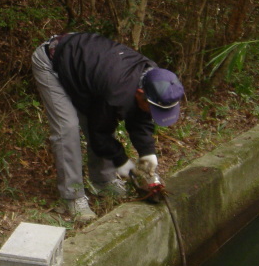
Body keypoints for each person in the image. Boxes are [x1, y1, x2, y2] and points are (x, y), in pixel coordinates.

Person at [31, 32, 184, 222]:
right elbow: (99, 132)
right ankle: (72, 197)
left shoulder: (152, 76)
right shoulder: (117, 90)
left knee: (101, 117)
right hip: (52, 60)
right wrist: (121, 161)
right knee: (68, 128)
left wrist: (147, 152)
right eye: (154, 110)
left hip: (86, 71)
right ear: (139, 93)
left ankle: (103, 181)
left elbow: (140, 117)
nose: (154, 115)